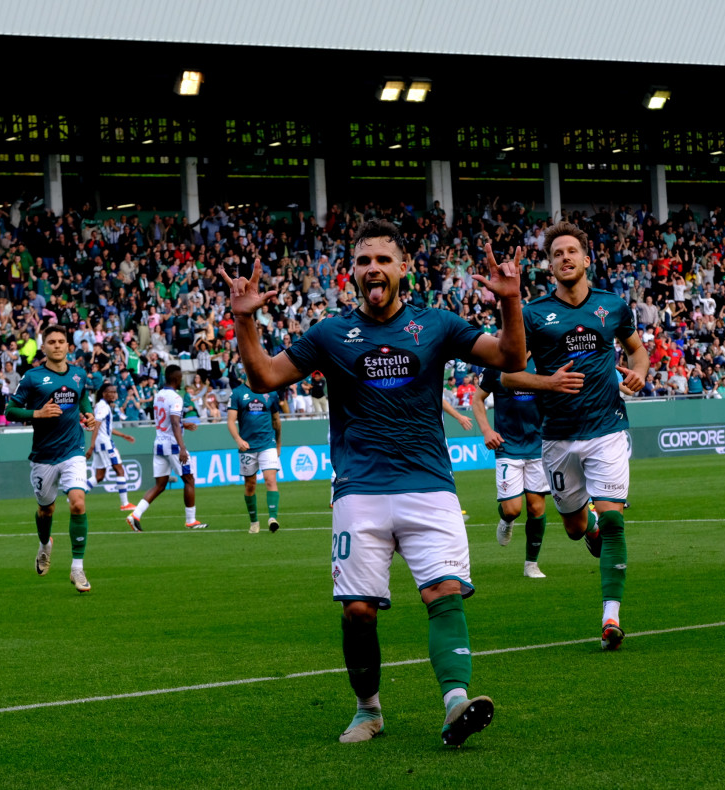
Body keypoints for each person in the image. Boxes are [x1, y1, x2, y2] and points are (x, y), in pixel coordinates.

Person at [221, 218, 527, 747]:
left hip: (429, 484)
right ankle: (368, 711)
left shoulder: (438, 324)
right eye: (364, 261)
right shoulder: (330, 333)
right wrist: (244, 321)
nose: (373, 269)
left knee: (444, 592)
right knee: (358, 611)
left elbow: (511, 358)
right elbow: (265, 378)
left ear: (403, 268)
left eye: (383, 259)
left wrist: (509, 301)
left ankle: (456, 702)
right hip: (359, 489)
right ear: (353, 273)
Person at [509, 221, 648, 650]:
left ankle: (611, 618)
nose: (565, 258)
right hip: (557, 436)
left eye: (572, 251)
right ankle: (586, 530)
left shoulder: (612, 306)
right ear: (549, 265)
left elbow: (637, 349)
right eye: (557, 254)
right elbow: (508, 372)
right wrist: (547, 383)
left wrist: (639, 374)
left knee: (612, 518)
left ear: (587, 259)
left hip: (608, 427)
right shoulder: (533, 315)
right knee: (573, 526)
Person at [5, 325, 98, 593]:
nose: (57, 345)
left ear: (69, 346)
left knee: (78, 504)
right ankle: (45, 544)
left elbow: (83, 401)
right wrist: (37, 414)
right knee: (46, 509)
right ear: (43, 347)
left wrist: (88, 415)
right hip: (43, 457)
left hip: (73, 451)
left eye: (61, 341)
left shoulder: (79, 374)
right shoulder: (33, 377)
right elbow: (11, 411)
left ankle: (77, 568)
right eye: (51, 342)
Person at [472, 345, 550, 578]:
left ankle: (531, 565)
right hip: (508, 445)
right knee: (512, 509)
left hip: (539, 445)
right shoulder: (497, 363)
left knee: (536, 507)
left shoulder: (544, 361)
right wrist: (486, 431)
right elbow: (478, 400)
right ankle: (506, 520)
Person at [126, 365, 208, 531]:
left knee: (160, 485)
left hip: (159, 444)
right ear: (176, 379)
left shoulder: (159, 395)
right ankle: (191, 521)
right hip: (173, 446)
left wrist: (185, 423)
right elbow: (174, 422)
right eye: (181, 378)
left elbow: (168, 420)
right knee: (189, 479)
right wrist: (182, 447)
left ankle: (135, 515)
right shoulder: (176, 398)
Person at [227, 364, 282, 534]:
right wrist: (238, 439)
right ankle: (254, 521)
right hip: (248, 446)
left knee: (270, 479)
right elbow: (230, 421)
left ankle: (273, 518)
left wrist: (278, 444)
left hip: (267, 444)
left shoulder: (271, 392)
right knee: (250, 485)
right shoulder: (237, 393)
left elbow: (276, 421)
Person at [86, 383, 137, 512]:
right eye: (111, 392)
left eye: (115, 392)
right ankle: (125, 503)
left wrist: (123, 435)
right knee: (119, 470)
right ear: (104, 394)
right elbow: (96, 425)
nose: (114, 394)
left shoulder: (102, 406)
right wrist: (91, 446)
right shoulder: (103, 407)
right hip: (105, 444)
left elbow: (106, 428)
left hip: (102, 443)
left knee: (99, 476)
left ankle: (74, 494)